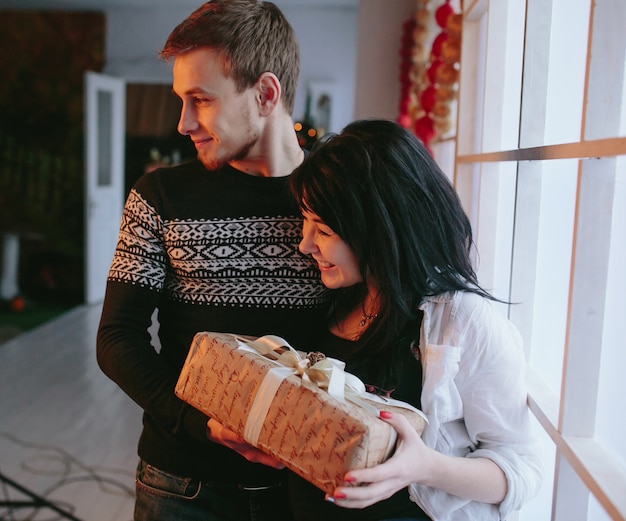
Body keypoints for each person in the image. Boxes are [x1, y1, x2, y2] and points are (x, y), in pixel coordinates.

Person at [96, 2, 329, 520]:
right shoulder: (158, 195)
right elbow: (117, 338)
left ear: (265, 94)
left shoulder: (340, 195)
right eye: (182, 100)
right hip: (181, 485)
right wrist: (201, 423)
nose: (182, 123)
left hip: (311, 490)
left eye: (199, 100)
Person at [287, 119, 543, 521]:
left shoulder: (461, 320)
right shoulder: (335, 297)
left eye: (322, 229)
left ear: (379, 226)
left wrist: (425, 467)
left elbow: (522, 468)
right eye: (306, 222)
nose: (305, 245)